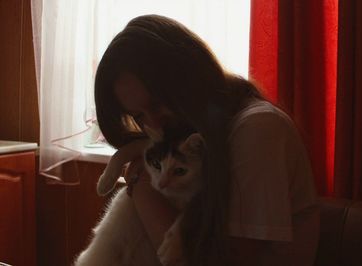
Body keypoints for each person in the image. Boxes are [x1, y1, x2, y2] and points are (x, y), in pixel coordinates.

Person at [95, 14, 319, 266]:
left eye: (157, 105)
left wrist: (141, 185)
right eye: (139, 116)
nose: (153, 125)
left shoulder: (258, 128)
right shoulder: (199, 137)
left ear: (187, 78)